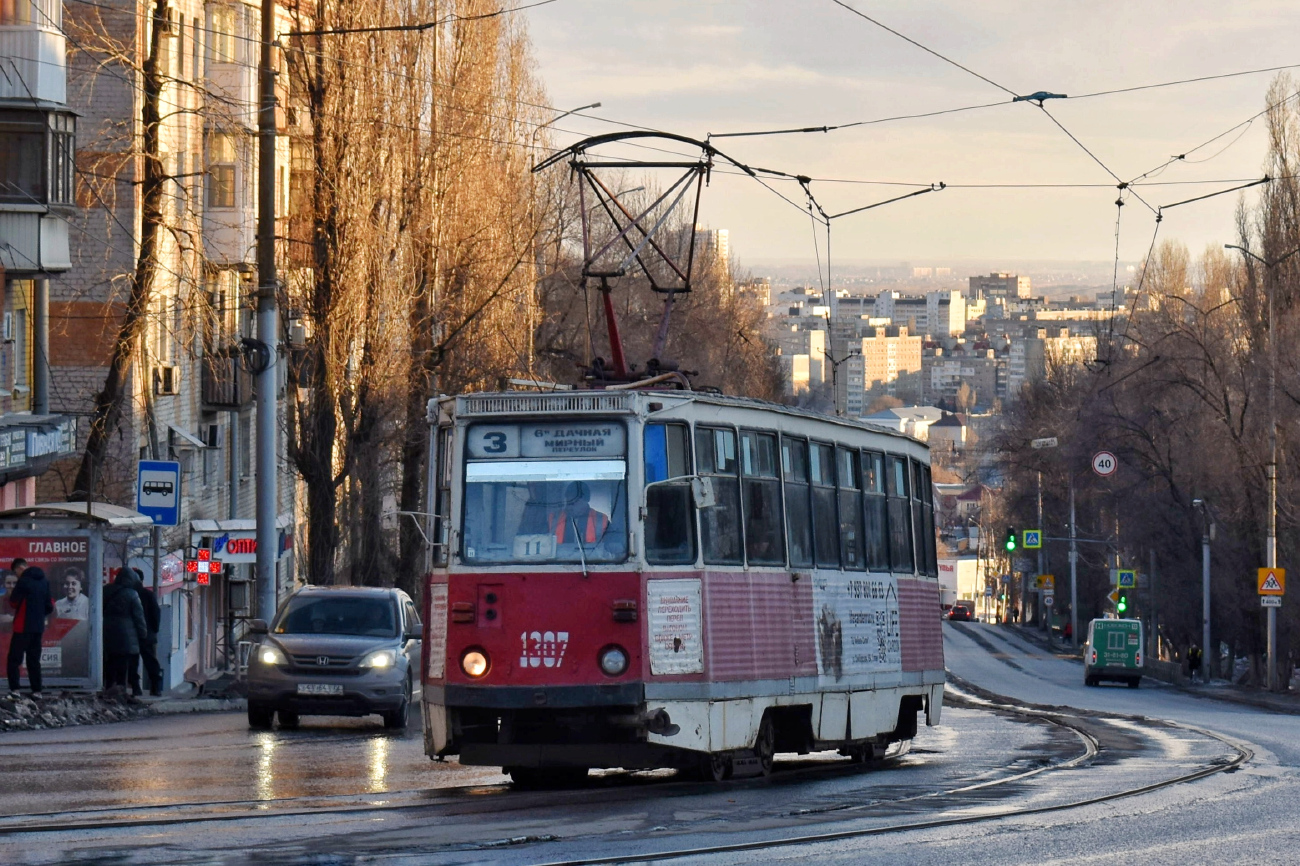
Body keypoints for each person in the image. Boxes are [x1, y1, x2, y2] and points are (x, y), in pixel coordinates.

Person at [6, 565, 53, 698]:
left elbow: (13, 602)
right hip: (37, 628)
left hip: (22, 626)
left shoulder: (24, 582)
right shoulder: (44, 582)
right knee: (34, 660)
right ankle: (37, 691)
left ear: (21, 570)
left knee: (14, 659)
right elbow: (49, 606)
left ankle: (15, 690)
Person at [102, 568, 147, 694]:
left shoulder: (106, 590)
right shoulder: (132, 594)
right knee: (127, 663)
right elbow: (139, 616)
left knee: (110, 661)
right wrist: (143, 633)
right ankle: (126, 690)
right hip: (127, 634)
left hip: (107, 631)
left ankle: (109, 687)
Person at [130, 568, 164, 696]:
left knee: (133, 661)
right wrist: (154, 630)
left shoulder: (128, 594)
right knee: (150, 661)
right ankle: (156, 687)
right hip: (148, 634)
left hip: (132, 635)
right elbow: (156, 614)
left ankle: (135, 687)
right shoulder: (148, 595)